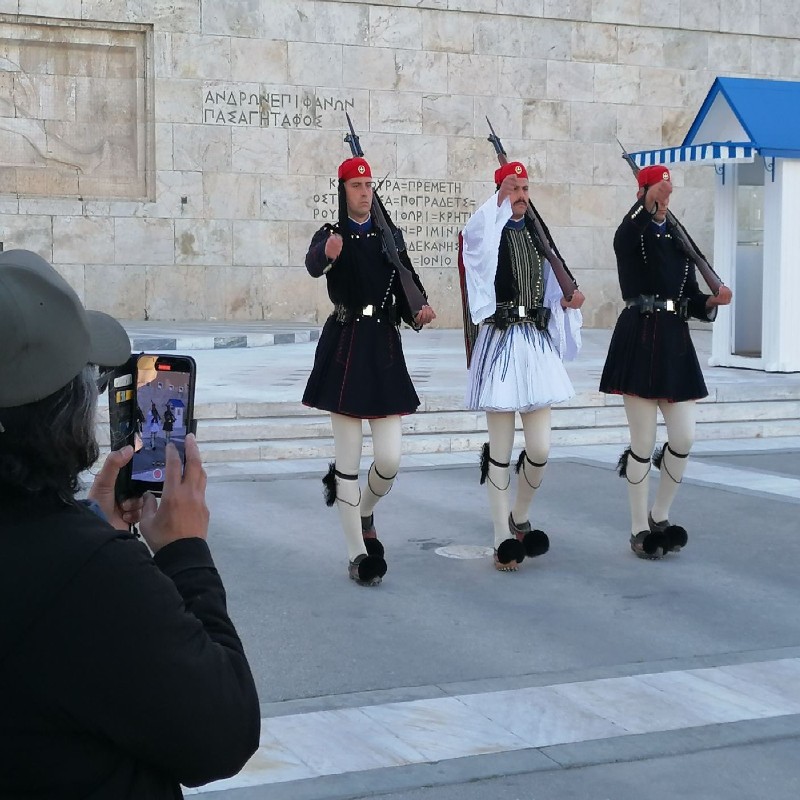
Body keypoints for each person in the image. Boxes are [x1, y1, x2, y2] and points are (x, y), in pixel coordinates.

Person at [0, 249, 260, 798]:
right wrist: (185, 554)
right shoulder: (89, 576)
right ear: (65, 411)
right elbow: (223, 733)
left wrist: (90, 523)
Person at [303, 156, 436, 586]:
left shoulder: (388, 237)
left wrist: (419, 311)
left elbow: (406, 283)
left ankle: (363, 511)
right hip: (345, 347)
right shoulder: (332, 234)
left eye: (369, 184)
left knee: (390, 459)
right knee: (347, 462)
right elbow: (313, 263)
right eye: (356, 185)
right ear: (343, 191)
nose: (364, 191)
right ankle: (358, 555)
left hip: (382, 347)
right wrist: (327, 253)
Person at [599, 165, 732, 559]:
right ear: (644, 193)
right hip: (639, 337)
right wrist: (646, 203)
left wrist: (711, 301)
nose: (665, 202)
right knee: (643, 442)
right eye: (659, 193)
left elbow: (688, 294)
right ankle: (639, 528)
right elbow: (626, 233)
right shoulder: (632, 232)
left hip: (674, 339)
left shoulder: (677, 237)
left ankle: (660, 514)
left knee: (684, 437)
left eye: (669, 195)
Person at [461, 162, 584, 572]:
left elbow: (550, 288)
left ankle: (520, 514)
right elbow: (476, 241)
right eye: (513, 189)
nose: (521, 195)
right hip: (500, 342)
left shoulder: (536, 234)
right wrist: (498, 200)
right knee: (499, 453)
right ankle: (501, 538)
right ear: (499, 193)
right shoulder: (486, 231)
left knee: (541, 449)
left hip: (534, 342)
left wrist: (567, 303)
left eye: (525, 188)